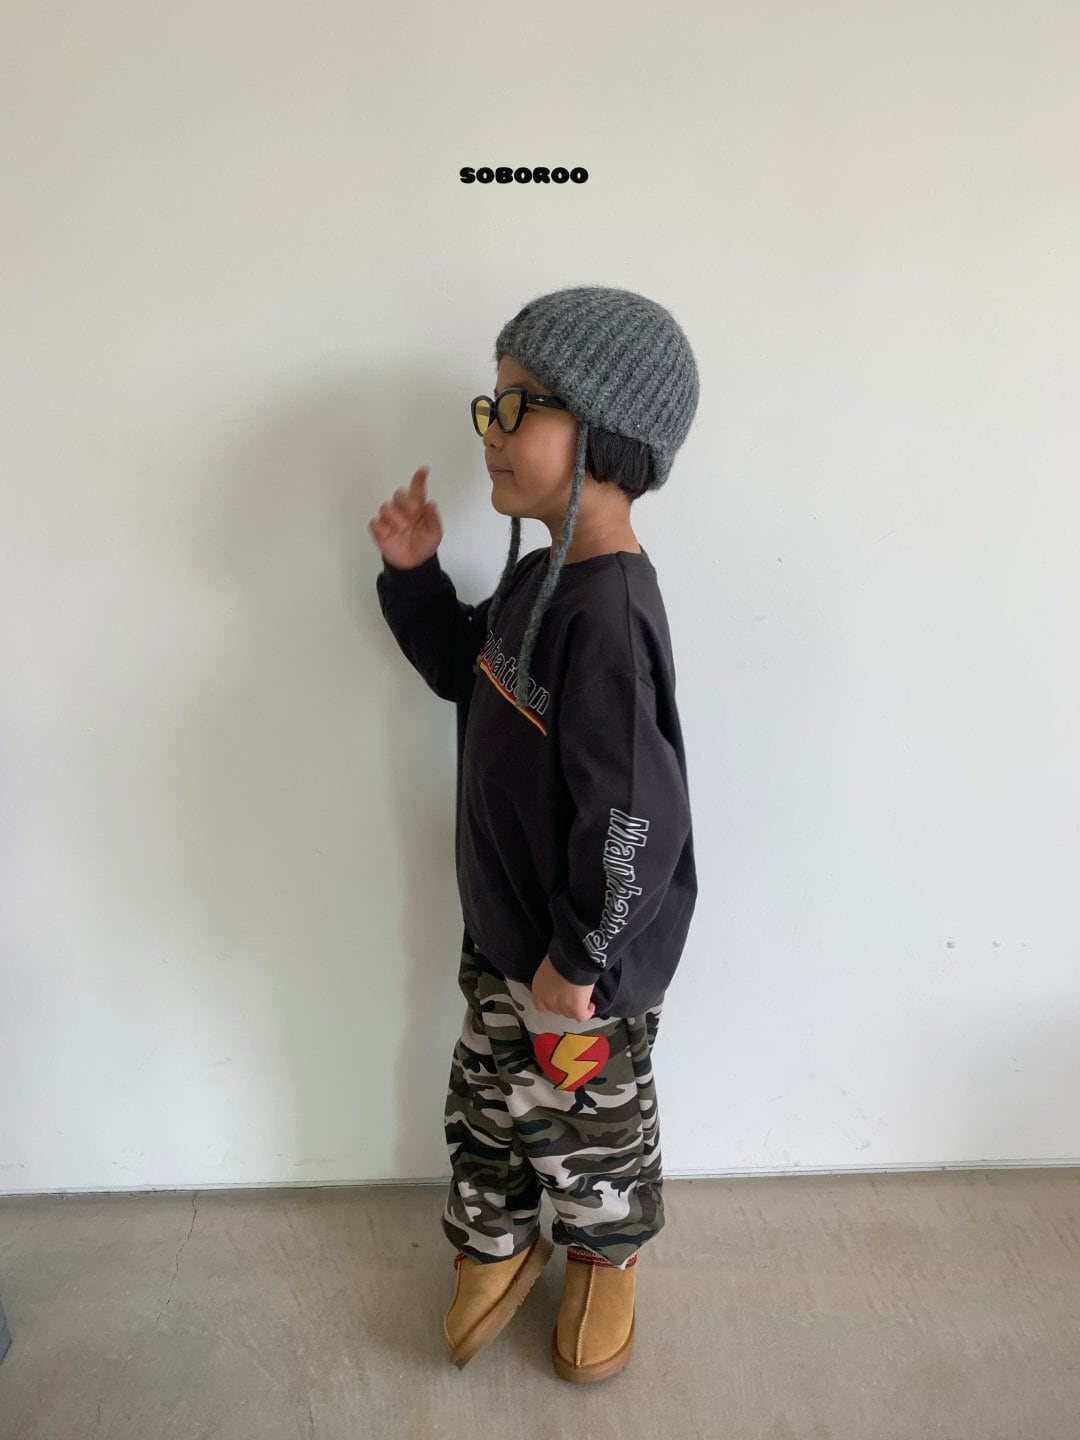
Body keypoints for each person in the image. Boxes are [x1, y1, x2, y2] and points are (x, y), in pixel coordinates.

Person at [370, 285, 699, 1383]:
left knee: (589, 1123)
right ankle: (497, 1236)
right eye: (493, 404)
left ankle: (607, 1252)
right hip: (507, 934)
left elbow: (635, 820)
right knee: (488, 1105)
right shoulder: (537, 577)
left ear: (608, 431)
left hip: (577, 966)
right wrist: (416, 578)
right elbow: (465, 672)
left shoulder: (610, 616)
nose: (492, 432)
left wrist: (582, 954)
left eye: (522, 407)